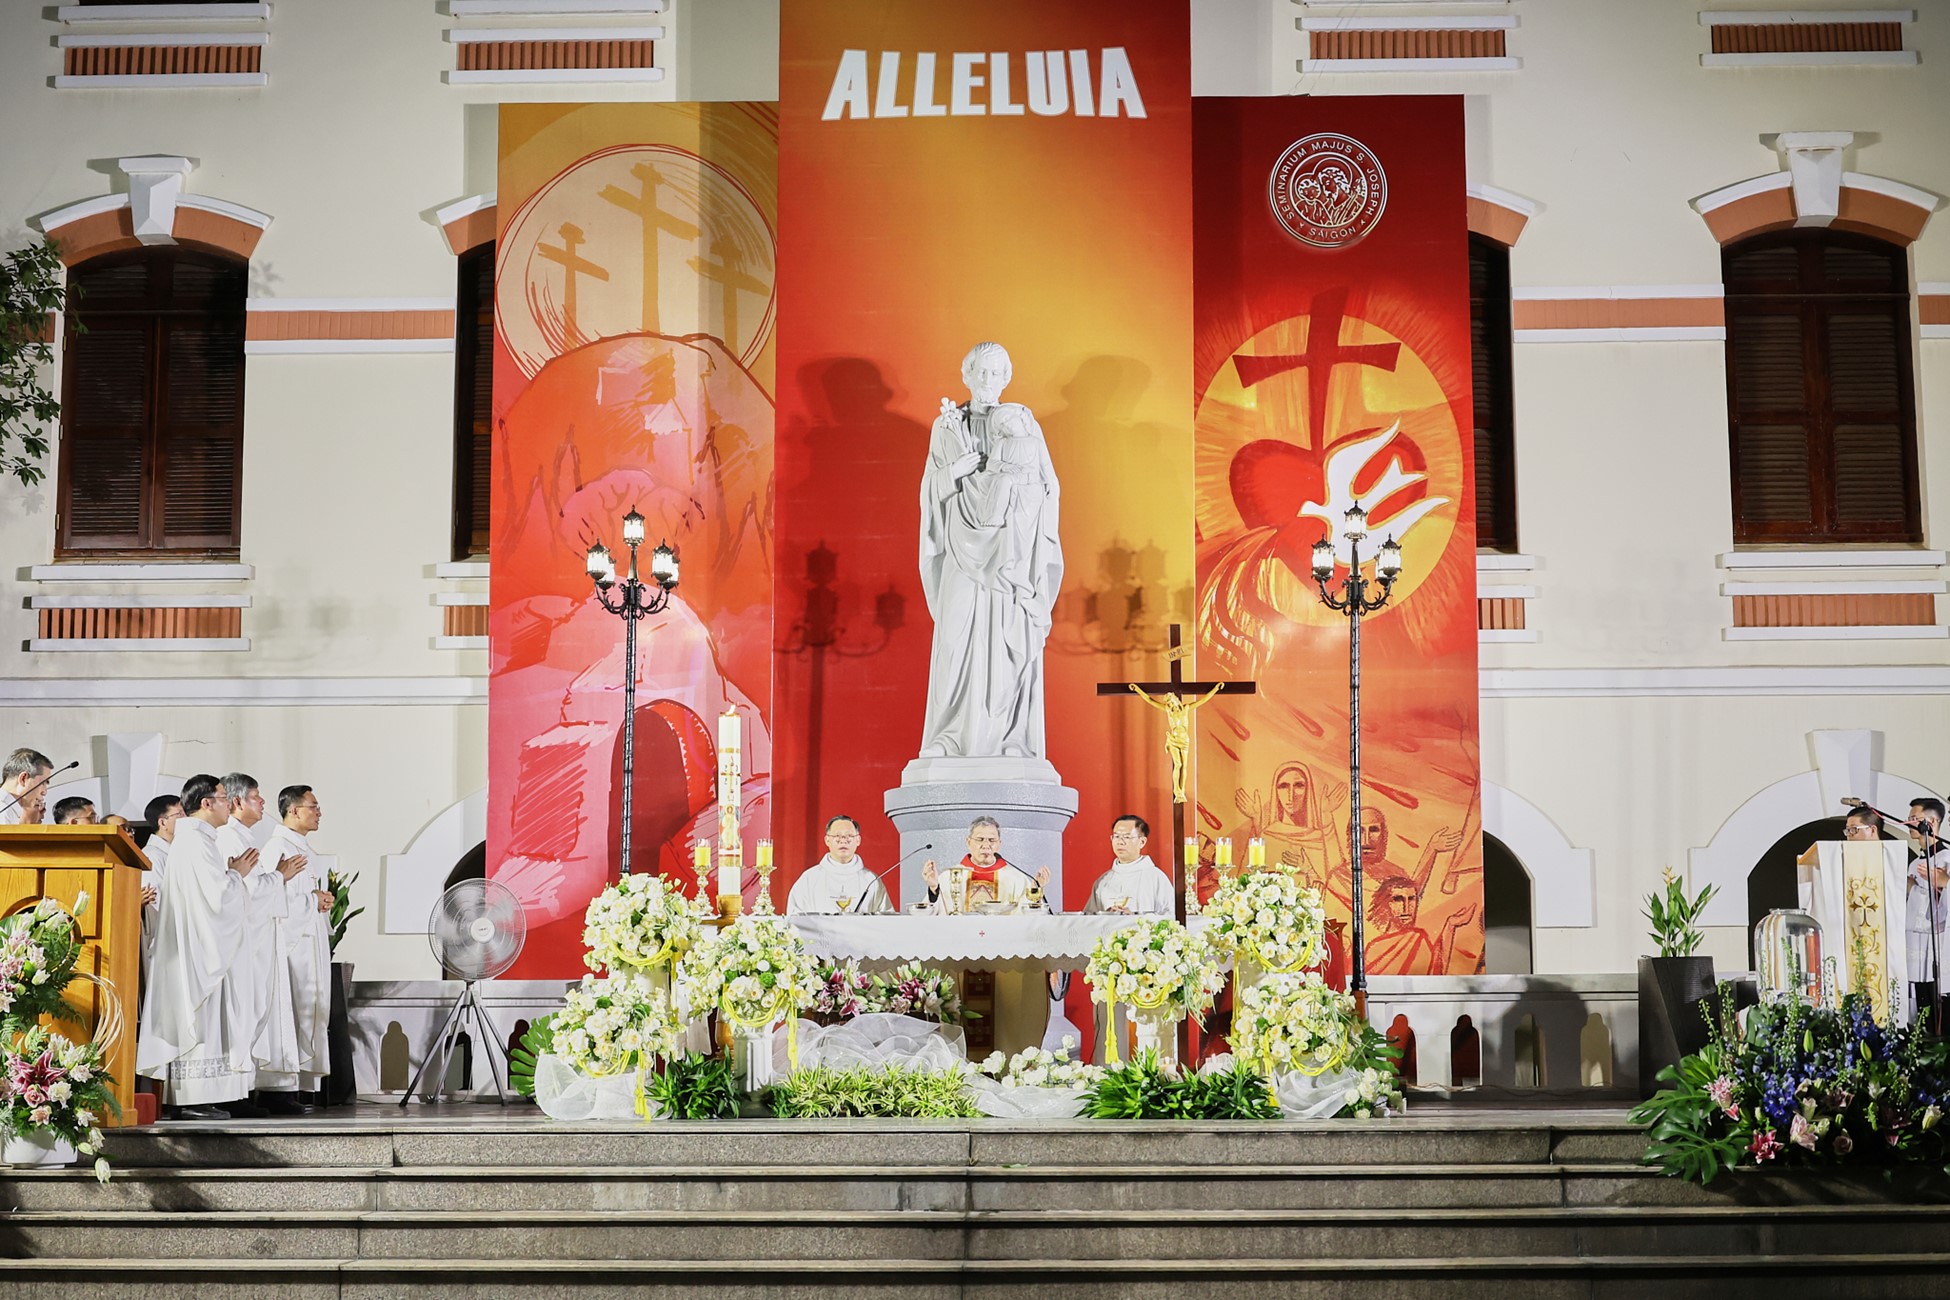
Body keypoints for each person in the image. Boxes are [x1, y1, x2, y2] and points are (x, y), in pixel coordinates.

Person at [916, 341, 1063, 761]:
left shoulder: (1024, 424)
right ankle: (948, 738)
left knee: (1005, 641)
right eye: (980, 371)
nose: (987, 380)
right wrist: (954, 472)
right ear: (966, 375)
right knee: (955, 639)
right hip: (961, 551)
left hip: (1009, 555)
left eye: (996, 373)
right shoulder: (947, 426)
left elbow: (1049, 487)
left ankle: (1011, 739)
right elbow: (929, 491)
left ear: (1006, 378)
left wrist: (1015, 491)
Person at [136, 774, 261, 1119]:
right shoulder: (194, 841)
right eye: (223, 798)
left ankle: (202, 1097)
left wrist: (231, 875)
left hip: (199, 946)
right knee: (199, 1021)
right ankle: (189, 1100)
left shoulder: (197, 839)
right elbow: (217, 899)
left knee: (207, 1022)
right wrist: (236, 874)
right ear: (206, 803)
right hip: (195, 952)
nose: (229, 805)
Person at [258, 785, 333, 1108]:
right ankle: (279, 1089)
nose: (319, 812)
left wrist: (320, 901)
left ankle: (300, 1085)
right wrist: (310, 901)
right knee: (289, 1013)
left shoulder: (301, 848)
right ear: (293, 810)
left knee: (308, 1013)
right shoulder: (276, 848)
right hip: (291, 946)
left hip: (308, 942)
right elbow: (269, 897)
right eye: (313, 806)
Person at [922, 816, 1051, 913]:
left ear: (999, 844)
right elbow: (932, 914)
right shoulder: (950, 876)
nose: (986, 845)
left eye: (992, 840)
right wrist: (934, 888)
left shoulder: (1015, 878)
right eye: (980, 839)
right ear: (968, 842)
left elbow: (1027, 916)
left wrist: (1035, 888)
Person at [786, 815, 893, 915]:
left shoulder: (871, 880)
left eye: (849, 836)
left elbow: (886, 920)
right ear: (827, 840)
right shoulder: (809, 878)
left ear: (858, 840)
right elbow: (794, 918)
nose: (843, 841)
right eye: (837, 836)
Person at [1906, 797, 1949, 1030]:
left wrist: (1913, 889)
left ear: (1931, 822)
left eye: (1915, 818)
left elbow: (1941, 908)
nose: (1909, 823)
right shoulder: (1915, 863)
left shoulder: (1946, 858)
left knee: (1935, 1002)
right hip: (1915, 941)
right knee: (1920, 1002)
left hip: (1936, 942)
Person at [1084, 815, 1175, 916]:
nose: (1120, 842)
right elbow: (1089, 919)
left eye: (1127, 837)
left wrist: (1134, 918)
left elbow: (1172, 917)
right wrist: (1108, 916)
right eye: (1116, 836)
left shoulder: (1156, 878)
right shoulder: (1103, 881)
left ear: (1142, 842)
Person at [0, 747, 53, 824]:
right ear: (23, 779)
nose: (44, 792)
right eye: (43, 783)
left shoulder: (9, 810)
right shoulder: (4, 812)